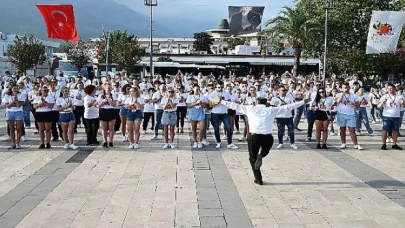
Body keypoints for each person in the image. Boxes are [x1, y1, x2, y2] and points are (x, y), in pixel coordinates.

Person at [211, 96, 310, 185]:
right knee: (266, 149)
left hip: (254, 136)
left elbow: (234, 105)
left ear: (256, 103)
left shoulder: (250, 109)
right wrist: (303, 102)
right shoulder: (271, 110)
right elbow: (288, 107)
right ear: (266, 103)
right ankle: (261, 155)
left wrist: (221, 101)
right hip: (267, 137)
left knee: (252, 158)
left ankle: (258, 179)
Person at [208, 82, 238, 149]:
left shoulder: (226, 93)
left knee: (229, 127)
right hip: (215, 113)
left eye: (222, 87)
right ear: (216, 87)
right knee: (216, 129)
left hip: (224, 113)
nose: (220, 89)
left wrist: (225, 101)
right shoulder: (212, 94)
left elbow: (229, 101)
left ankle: (229, 143)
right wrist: (216, 102)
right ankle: (218, 142)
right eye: (219, 87)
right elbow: (210, 105)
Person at [335, 82, 363, 150]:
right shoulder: (338, 94)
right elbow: (337, 102)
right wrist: (342, 95)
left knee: (352, 130)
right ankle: (343, 143)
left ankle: (356, 144)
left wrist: (353, 103)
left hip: (351, 114)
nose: (346, 89)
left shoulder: (354, 96)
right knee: (342, 129)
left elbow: (358, 105)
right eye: (344, 87)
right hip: (341, 113)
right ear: (342, 88)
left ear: (349, 88)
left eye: (347, 87)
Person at [378, 84, 403, 150]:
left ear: (395, 89)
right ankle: (384, 144)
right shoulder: (385, 96)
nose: (390, 90)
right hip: (387, 116)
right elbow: (378, 106)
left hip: (396, 116)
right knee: (385, 130)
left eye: (391, 88)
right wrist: (383, 102)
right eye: (389, 89)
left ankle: (394, 144)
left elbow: (404, 105)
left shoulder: (399, 96)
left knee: (395, 130)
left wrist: (402, 102)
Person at [3, 83, 25, 149]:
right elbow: (8, 106)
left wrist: (16, 99)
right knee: (11, 128)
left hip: (19, 112)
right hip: (10, 112)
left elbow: (19, 105)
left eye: (16, 88)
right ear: (11, 89)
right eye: (14, 88)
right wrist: (13, 102)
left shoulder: (21, 95)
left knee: (19, 128)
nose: (15, 90)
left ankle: (18, 142)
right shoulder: (7, 96)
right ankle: (13, 142)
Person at [97, 82, 118, 148]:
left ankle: (111, 141)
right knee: (104, 128)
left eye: (110, 88)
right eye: (108, 88)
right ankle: (105, 141)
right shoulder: (101, 96)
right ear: (104, 88)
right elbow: (98, 105)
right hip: (103, 111)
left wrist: (110, 101)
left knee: (111, 128)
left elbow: (114, 105)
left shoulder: (113, 95)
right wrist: (103, 102)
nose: (109, 89)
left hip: (111, 111)